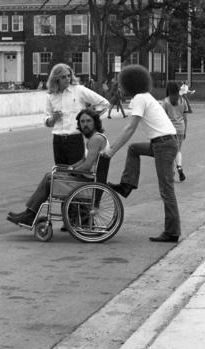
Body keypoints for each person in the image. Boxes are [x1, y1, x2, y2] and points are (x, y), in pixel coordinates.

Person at [107, 65, 181, 243]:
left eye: (121, 84)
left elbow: (130, 127)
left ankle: (172, 232)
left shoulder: (140, 98)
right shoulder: (146, 96)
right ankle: (127, 184)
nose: (119, 88)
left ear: (129, 84)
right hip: (164, 142)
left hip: (163, 144)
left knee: (166, 189)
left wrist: (112, 150)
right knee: (134, 149)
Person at [7, 109, 111, 226]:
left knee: (50, 179)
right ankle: (29, 213)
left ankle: (30, 214)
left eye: (88, 121)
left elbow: (87, 166)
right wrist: (70, 168)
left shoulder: (96, 139)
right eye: (82, 122)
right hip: (88, 179)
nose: (85, 124)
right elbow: (83, 160)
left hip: (89, 182)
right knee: (50, 176)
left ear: (95, 122)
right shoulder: (94, 138)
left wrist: (72, 171)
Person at [45, 63, 110, 166]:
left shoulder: (79, 90)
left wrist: (91, 118)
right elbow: (47, 120)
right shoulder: (50, 96)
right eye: (63, 77)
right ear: (56, 79)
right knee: (60, 174)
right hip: (57, 140)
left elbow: (104, 104)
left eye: (69, 75)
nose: (67, 79)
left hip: (74, 139)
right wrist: (52, 119)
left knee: (76, 174)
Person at [162, 81, 188, 181]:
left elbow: (162, 118)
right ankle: (180, 167)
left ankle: (171, 171)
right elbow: (185, 118)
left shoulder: (165, 101)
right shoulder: (183, 101)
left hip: (169, 129)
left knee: (169, 151)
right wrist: (185, 130)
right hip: (181, 128)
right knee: (178, 150)